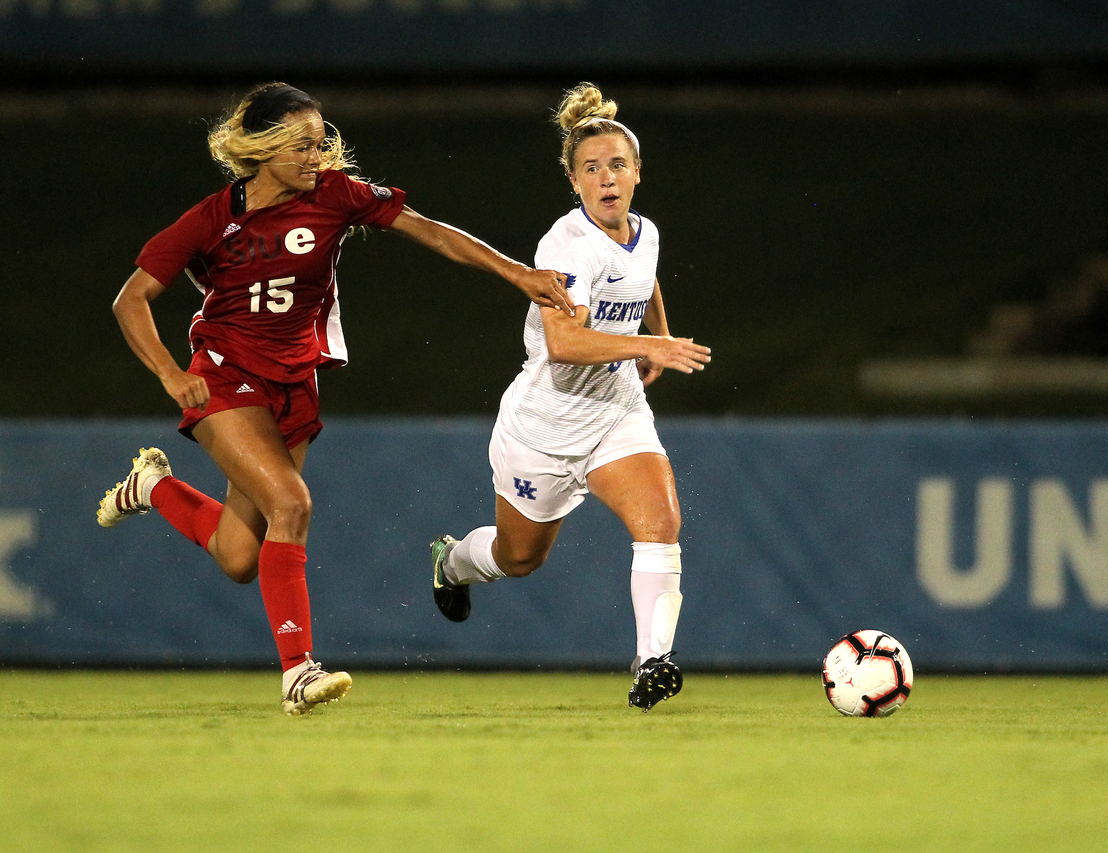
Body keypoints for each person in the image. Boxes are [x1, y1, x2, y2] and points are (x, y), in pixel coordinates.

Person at [97, 82, 572, 715]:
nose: (316, 155)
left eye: (322, 142)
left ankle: (154, 487)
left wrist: (519, 274)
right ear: (262, 147)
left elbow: (431, 232)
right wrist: (166, 372)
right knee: (292, 505)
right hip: (225, 374)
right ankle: (299, 673)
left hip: (295, 384)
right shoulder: (212, 218)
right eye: (301, 143)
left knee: (240, 557)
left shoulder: (335, 195)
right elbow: (130, 300)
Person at [428, 83, 711, 712]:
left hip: (615, 412)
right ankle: (453, 563)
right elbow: (564, 344)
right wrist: (646, 349)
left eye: (617, 165)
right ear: (574, 182)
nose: (606, 178)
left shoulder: (647, 231)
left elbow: (644, 275)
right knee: (518, 557)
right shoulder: (565, 247)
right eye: (591, 168)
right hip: (545, 424)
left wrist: (656, 331)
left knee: (660, 521)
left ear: (637, 173)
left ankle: (653, 661)